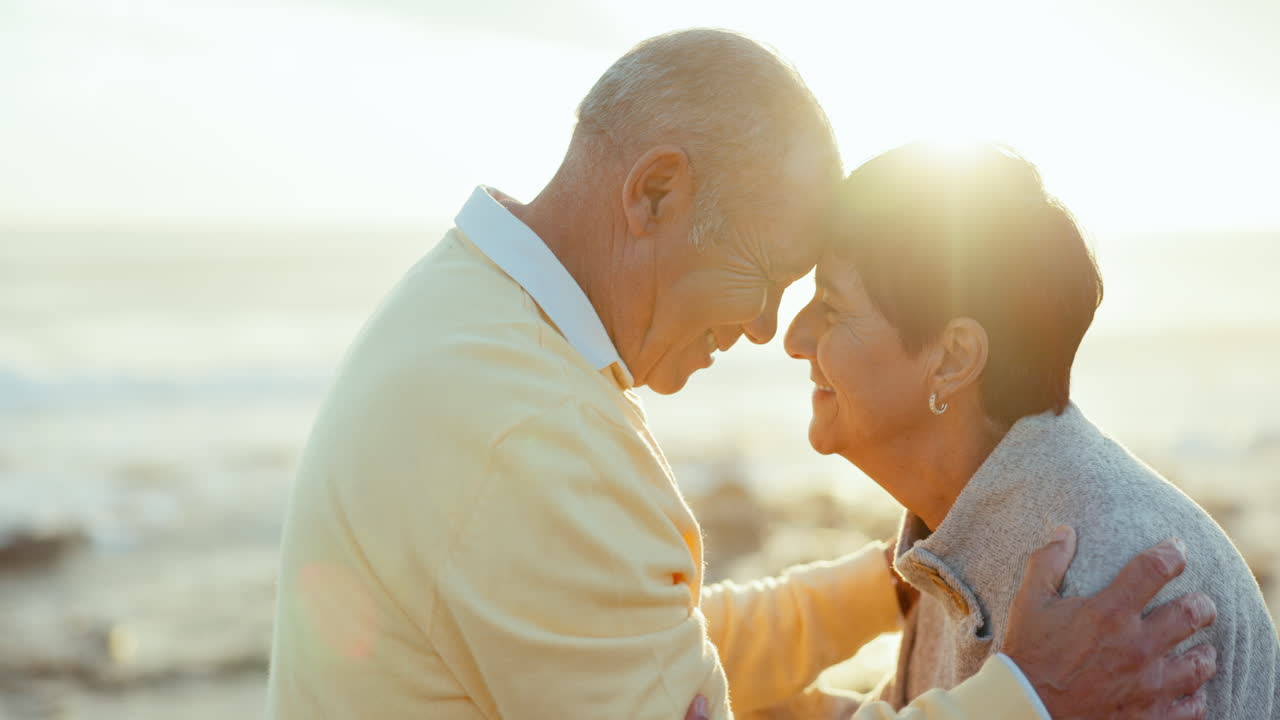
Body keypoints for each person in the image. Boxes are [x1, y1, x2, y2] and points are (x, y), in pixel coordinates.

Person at [267, 30, 1217, 719]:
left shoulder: (470, 322)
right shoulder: (529, 429)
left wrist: (878, 590)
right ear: (656, 192)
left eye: (813, 298)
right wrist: (1027, 702)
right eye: (766, 278)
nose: (772, 329)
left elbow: (633, 635)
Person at [783, 141, 1277, 717]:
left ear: (951, 359)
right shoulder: (959, 538)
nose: (794, 337)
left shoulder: (1102, 576)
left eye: (833, 308)